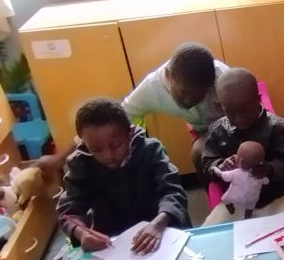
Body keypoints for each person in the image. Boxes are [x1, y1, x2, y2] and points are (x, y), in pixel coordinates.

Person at [36, 99, 190, 260]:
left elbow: (173, 191)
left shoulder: (150, 150)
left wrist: (158, 224)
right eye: (96, 149)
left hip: (161, 230)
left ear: (130, 133)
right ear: (84, 143)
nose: (108, 155)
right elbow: (68, 211)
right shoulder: (80, 163)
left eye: (116, 145)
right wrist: (81, 233)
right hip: (110, 242)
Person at [35, 43, 226, 180]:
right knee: (199, 152)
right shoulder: (152, 87)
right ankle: (216, 193)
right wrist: (59, 159)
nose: (188, 102)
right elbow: (110, 119)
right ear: (169, 76)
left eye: (196, 96)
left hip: (232, 124)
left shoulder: (222, 77)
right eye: (183, 94)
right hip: (204, 133)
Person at [201, 68, 284, 224]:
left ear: (258, 99)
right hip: (235, 204)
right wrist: (220, 166)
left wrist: (269, 169)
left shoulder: (277, 128)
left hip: (275, 199)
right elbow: (207, 163)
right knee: (210, 229)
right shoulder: (217, 131)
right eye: (230, 112)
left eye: (245, 110)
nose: (239, 118)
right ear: (221, 107)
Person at [210, 141, 270, 219]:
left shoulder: (236, 173)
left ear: (240, 161)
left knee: (224, 199)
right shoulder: (260, 176)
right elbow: (266, 181)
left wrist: (214, 168)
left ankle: (230, 206)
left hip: (236, 198)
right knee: (251, 206)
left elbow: (222, 175)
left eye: (237, 155)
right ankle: (248, 216)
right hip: (252, 198)